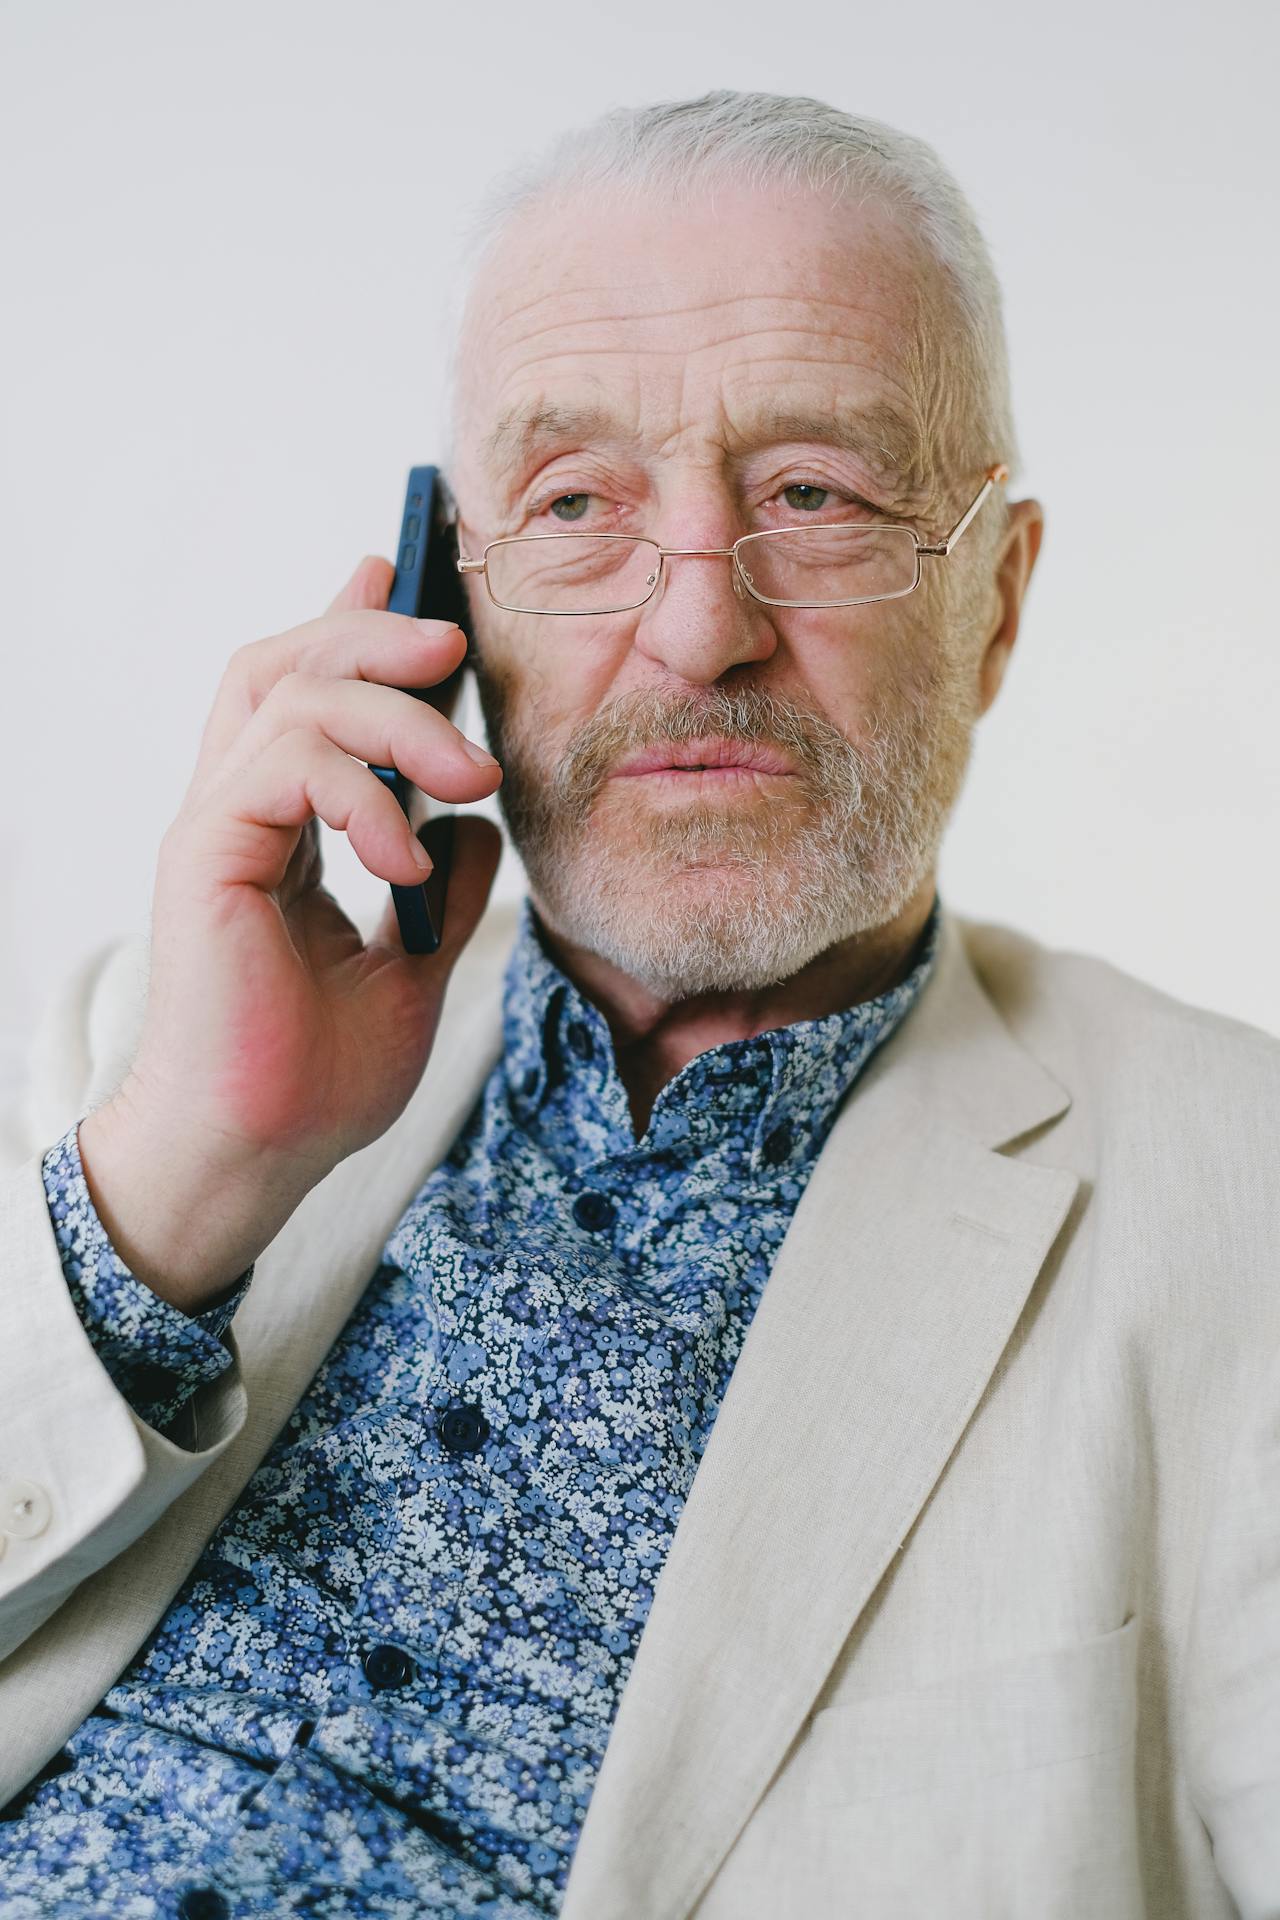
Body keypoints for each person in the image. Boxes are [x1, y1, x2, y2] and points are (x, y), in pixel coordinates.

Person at [0, 88, 1276, 1920]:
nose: (697, 629)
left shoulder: (1246, 1209)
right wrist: (186, 1180)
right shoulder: (155, 1062)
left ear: (994, 603)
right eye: (579, 504)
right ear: (455, 590)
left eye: (816, 496)